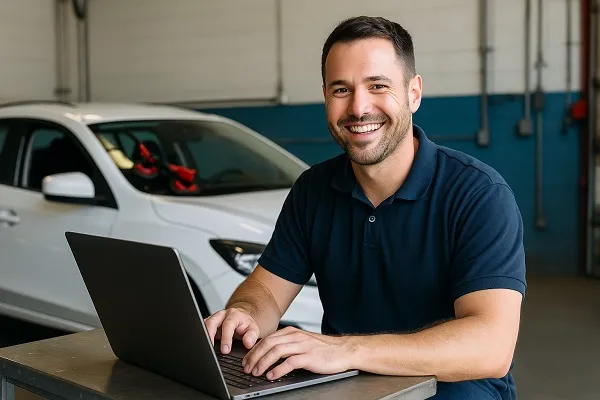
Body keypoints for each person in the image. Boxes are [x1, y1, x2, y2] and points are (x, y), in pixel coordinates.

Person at [205, 15, 526, 400]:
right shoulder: (314, 190)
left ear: (413, 93)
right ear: (325, 96)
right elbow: (267, 293)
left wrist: (345, 350)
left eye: (378, 86)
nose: (359, 108)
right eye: (341, 89)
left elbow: (491, 347)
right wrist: (245, 313)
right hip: (346, 390)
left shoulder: (478, 194)